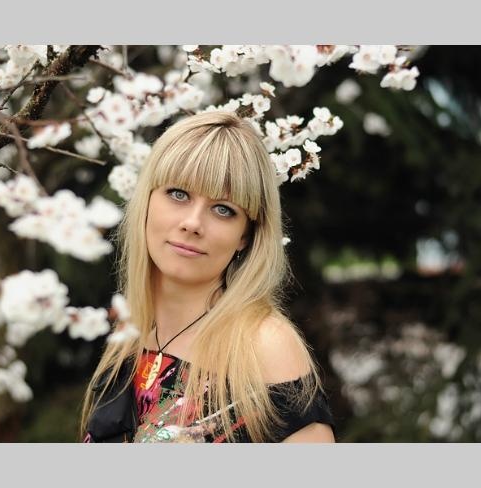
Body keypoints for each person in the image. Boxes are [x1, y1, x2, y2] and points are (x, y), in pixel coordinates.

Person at [79, 111, 336, 443]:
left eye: (223, 209)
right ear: (147, 201)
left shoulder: (263, 347)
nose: (192, 223)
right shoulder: (131, 334)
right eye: (178, 194)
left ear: (246, 235)